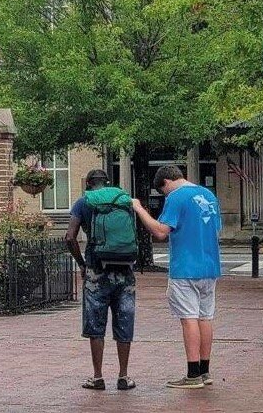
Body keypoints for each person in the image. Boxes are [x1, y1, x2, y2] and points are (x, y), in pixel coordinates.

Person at [132, 165, 222, 389]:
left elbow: (161, 231)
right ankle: (205, 371)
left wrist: (139, 209)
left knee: (189, 317)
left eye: (163, 191)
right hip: (210, 265)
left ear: (166, 183)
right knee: (205, 317)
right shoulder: (208, 195)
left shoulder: (175, 197)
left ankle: (192, 374)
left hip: (185, 267)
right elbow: (216, 228)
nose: (165, 195)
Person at [65, 169, 137, 391]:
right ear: (107, 183)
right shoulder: (123, 199)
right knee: (124, 321)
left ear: (88, 184)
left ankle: (97, 377)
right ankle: (123, 377)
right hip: (125, 270)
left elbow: (70, 236)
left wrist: (81, 264)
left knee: (96, 324)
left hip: (96, 271)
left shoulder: (83, 202)